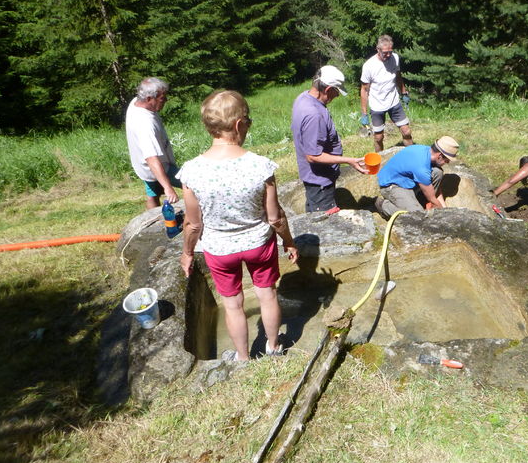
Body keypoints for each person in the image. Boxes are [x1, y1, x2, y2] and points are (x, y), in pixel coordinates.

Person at [179, 90, 299, 361]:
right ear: (238, 125)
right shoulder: (260, 166)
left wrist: (187, 253)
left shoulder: (191, 171)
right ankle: (273, 347)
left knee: (232, 305)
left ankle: (243, 358)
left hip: (220, 250)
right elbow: (275, 217)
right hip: (259, 244)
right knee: (267, 295)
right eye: (248, 121)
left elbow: (193, 224)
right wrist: (288, 241)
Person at [291, 65, 368, 213]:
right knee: (324, 222)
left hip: (314, 178)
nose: (337, 96)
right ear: (327, 89)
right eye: (336, 91)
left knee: (314, 213)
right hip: (319, 182)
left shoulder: (303, 97)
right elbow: (313, 155)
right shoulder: (314, 115)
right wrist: (349, 160)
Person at [125, 77, 182, 210]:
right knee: (191, 184)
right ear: (149, 99)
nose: (166, 100)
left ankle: (150, 223)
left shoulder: (136, 102)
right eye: (162, 98)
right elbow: (152, 158)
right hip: (158, 167)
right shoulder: (145, 124)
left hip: (143, 166)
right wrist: (168, 188)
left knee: (152, 194)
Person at [374, 136, 459, 219]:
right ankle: (382, 205)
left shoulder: (427, 151)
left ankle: (419, 201)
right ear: (439, 156)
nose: (447, 163)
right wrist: (445, 216)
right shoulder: (421, 168)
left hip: (405, 180)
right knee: (417, 216)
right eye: (447, 160)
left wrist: (444, 208)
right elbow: (432, 198)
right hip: (392, 186)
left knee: (438, 172)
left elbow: (436, 193)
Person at [360, 34, 412, 153]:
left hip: (394, 102)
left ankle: (412, 156)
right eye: (385, 53)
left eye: (390, 52)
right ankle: (379, 161)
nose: (388, 55)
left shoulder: (395, 58)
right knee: (379, 137)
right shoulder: (369, 66)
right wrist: (364, 113)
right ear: (378, 49)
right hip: (377, 105)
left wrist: (403, 92)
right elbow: (364, 89)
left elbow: (398, 76)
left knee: (406, 131)